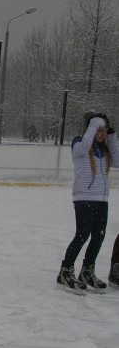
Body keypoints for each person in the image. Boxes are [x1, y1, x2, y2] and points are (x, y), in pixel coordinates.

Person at [57, 111, 118, 294]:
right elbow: (83, 147)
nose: (101, 134)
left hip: (102, 198)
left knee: (98, 236)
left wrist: (113, 137)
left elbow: (118, 161)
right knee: (82, 235)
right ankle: (65, 270)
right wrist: (93, 124)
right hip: (84, 197)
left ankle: (87, 270)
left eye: (104, 131)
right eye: (98, 130)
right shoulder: (79, 144)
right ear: (90, 129)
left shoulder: (105, 149)